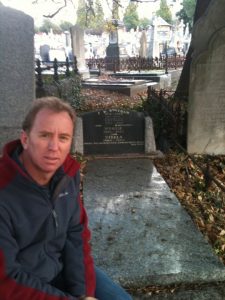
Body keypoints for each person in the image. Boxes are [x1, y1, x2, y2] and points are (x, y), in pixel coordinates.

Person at [0, 97, 132, 300]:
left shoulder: (67, 175)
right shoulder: (4, 190)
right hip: (21, 284)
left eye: (63, 137)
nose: (54, 147)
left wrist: (83, 293)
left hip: (60, 269)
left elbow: (76, 235)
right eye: (44, 135)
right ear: (25, 139)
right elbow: (6, 280)